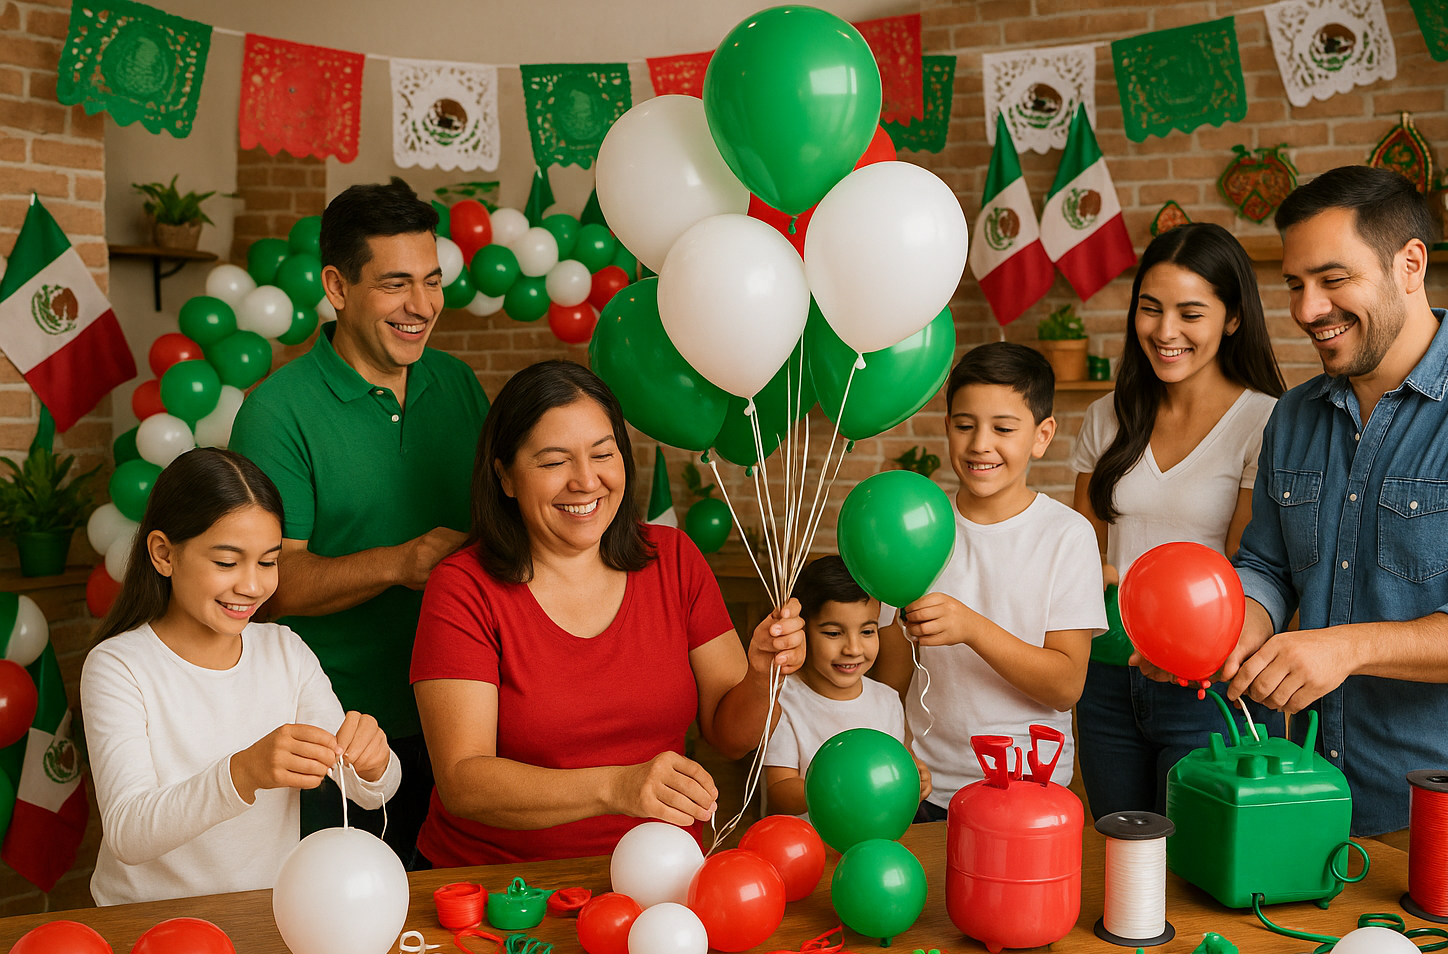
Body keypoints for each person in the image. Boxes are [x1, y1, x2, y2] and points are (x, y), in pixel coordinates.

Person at [1140, 165, 1448, 893]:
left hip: (1447, 812)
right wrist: (1219, 634)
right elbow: (1265, 566)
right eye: (1294, 284)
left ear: (1409, 264)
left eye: (1331, 279)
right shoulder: (1293, 415)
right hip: (1304, 794)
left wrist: (1346, 649)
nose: (1307, 308)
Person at [409, 360, 805, 867]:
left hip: (660, 874)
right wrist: (618, 786)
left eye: (603, 453)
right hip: (500, 890)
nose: (585, 481)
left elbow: (729, 736)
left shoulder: (675, 559)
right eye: (554, 462)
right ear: (504, 475)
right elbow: (464, 781)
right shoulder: (462, 588)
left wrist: (761, 677)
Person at [229, 178, 488, 866]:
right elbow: (270, 585)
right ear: (338, 288)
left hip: (467, 722)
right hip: (339, 735)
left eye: (432, 282)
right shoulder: (276, 411)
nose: (423, 306)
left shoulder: (460, 385)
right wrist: (404, 563)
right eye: (396, 284)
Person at [80, 449, 400, 906]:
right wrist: (243, 771)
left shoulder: (285, 652)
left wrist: (374, 764)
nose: (252, 586)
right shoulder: (119, 666)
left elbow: (371, 793)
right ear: (163, 554)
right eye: (228, 563)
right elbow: (128, 833)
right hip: (147, 924)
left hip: (262, 917)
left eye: (268, 562)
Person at [1069, 223, 1287, 819]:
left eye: (1191, 313)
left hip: (1210, 684)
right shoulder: (1105, 416)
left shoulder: (1265, 422)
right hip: (1108, 677)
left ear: (1233, 318)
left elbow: (1254, 564)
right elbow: (1081, 550)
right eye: (1150, 309)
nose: (1165, 332)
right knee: (1120, 859)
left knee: (1198, 871)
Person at [871, 343, 1106, 819]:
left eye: (1003, 428)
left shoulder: (1066, 535)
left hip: (1029, 787)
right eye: (965, 426)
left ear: (1042, 436)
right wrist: (897, 748)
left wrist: (972, 627)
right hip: (927, 787)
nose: (980, 443)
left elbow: (1066, 685)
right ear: (947, 428)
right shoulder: (916, 529)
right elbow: (894, 679)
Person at [763, 555, 931, 817]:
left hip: (873, 840)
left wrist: (915, 777)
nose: (853, 649)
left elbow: (899, 767)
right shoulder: (782, 701)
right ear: (802, 631)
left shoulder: (887, 701)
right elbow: (779, 791)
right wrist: (844, 787)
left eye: (867, 632)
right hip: (809, 848)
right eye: (833, 633)